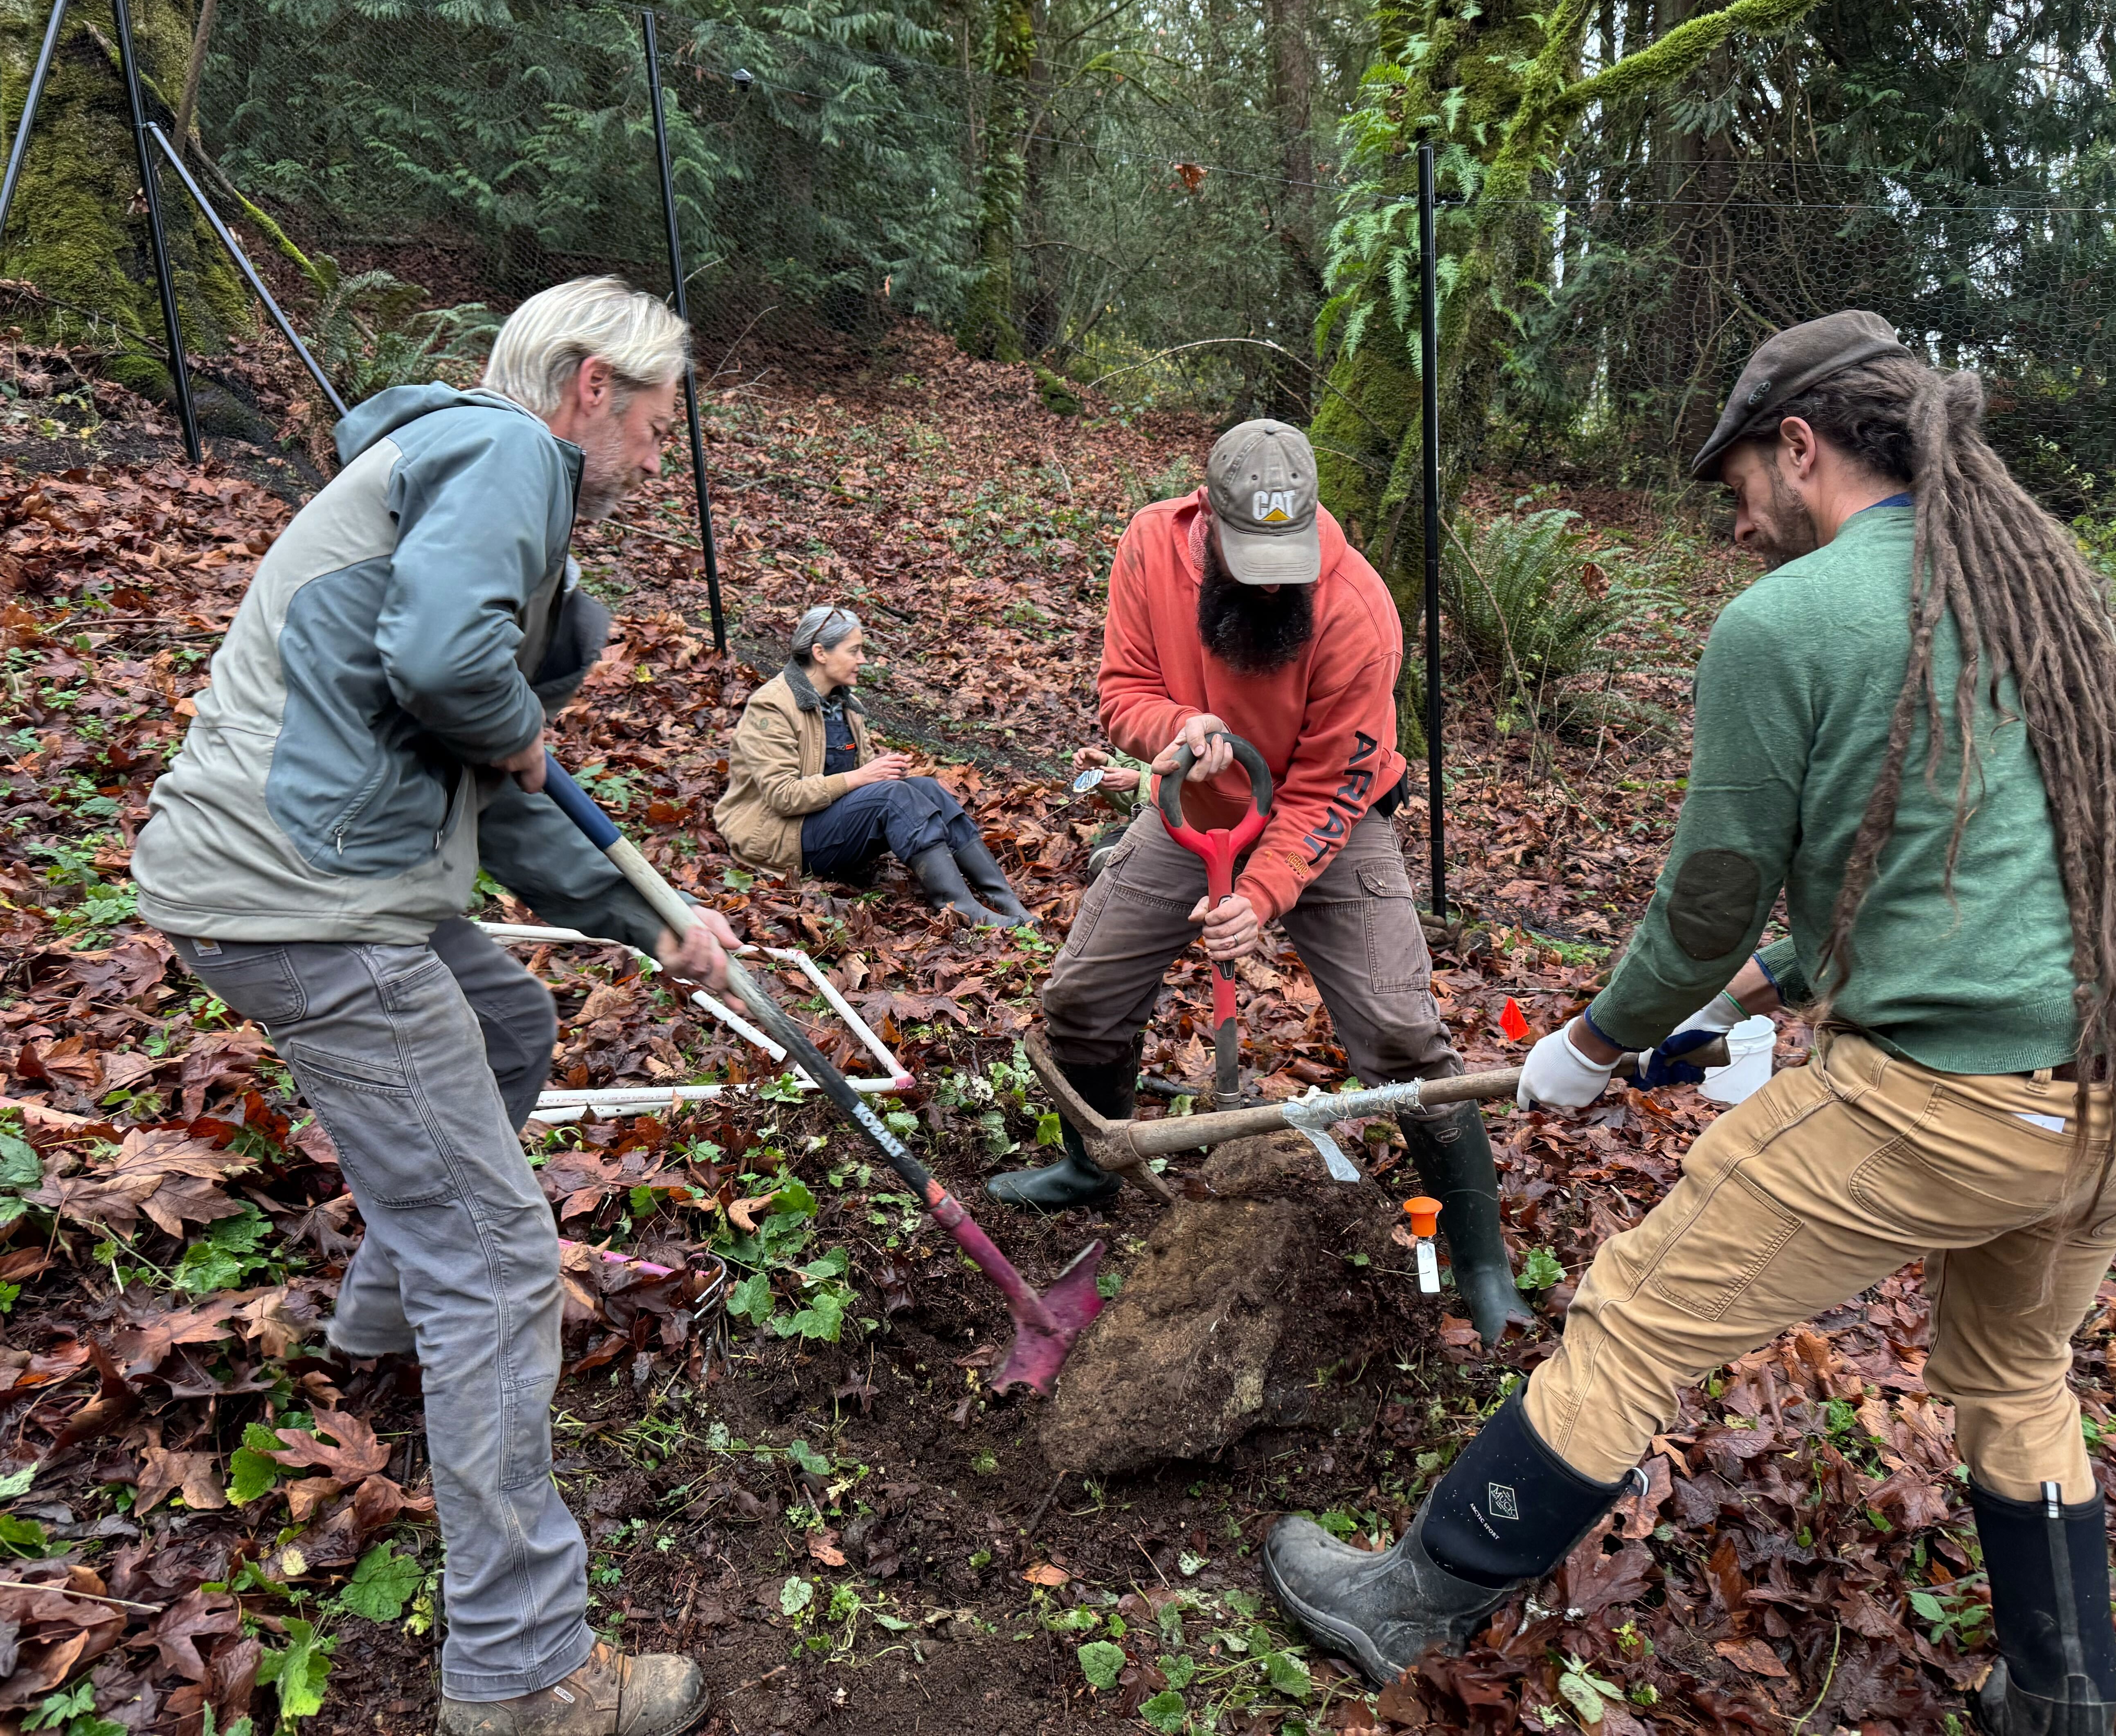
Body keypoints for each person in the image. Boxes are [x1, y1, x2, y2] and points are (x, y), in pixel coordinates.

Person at [1263, 312, 2116, 1736]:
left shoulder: (1787, 622)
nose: (1739, 526)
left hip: (1959, 1101)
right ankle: (2062, 1693)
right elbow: (1946, 859)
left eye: (1738, 490)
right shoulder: (2033, 578)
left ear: (1800, 445)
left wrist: (1587, 1045)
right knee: (2019, 1370)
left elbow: (1703, 895)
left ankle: (1415, 1591)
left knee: (1640, 1310)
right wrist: (1754, 989)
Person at [132, 277, 731, 1736]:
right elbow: (451, 674)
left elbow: (491, 788)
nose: (653, 466)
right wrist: (522, 729)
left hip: (310, 881)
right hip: (309, 899)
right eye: (653, 431)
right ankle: (524, 1673)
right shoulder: (507, 456)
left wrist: (658, 922)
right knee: (503, 1262)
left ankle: (378, 1332)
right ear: (589, 388)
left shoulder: (453, 485)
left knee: (511, 1029)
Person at [989, 419, 1536, 1348]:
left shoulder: (1356, 608)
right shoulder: (1149, 548)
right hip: (1197, 803)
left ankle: (1481, 1263)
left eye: (1288, 558)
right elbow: (1121, 686)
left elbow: (1333, 784)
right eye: (1251, 558)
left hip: (1330, 819)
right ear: (1206, 525)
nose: (1274, 581)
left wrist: (1265, 894)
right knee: (1083, 994)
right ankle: (1093, 1165)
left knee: (1403, 1033)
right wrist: (1173, 724)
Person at [713, 607, 1034, 926]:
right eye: (854, 651)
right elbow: (784, 796)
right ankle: (963, 910)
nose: (863, 660)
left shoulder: (845, 705)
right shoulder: (772, 706)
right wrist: (863, 777)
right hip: (782, 839)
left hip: (825, 823)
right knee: (894, 796)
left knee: (924, 789)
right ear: (820, 653)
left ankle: (1004, 899)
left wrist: (883, 770)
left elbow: (859, 778)